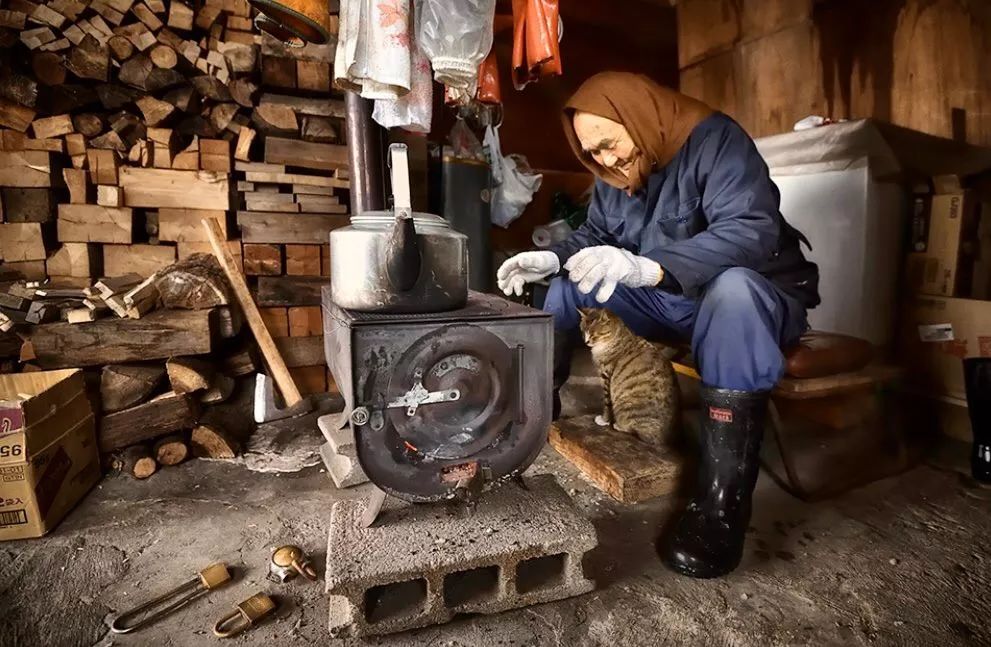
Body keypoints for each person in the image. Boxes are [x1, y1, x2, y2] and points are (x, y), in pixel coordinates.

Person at [496, 72, 820, 579]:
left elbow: (750, 230)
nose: (604, 160)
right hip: (673, 299)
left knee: (734, 290)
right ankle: (536, 414)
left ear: (638, 117)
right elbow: (595, 238)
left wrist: (652, 267)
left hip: (751, 300)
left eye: (608, 144)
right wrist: (552, 261)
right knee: (567, 288)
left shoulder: (717, 141)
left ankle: (720, 504)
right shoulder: (615, 176)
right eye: (591, 153)